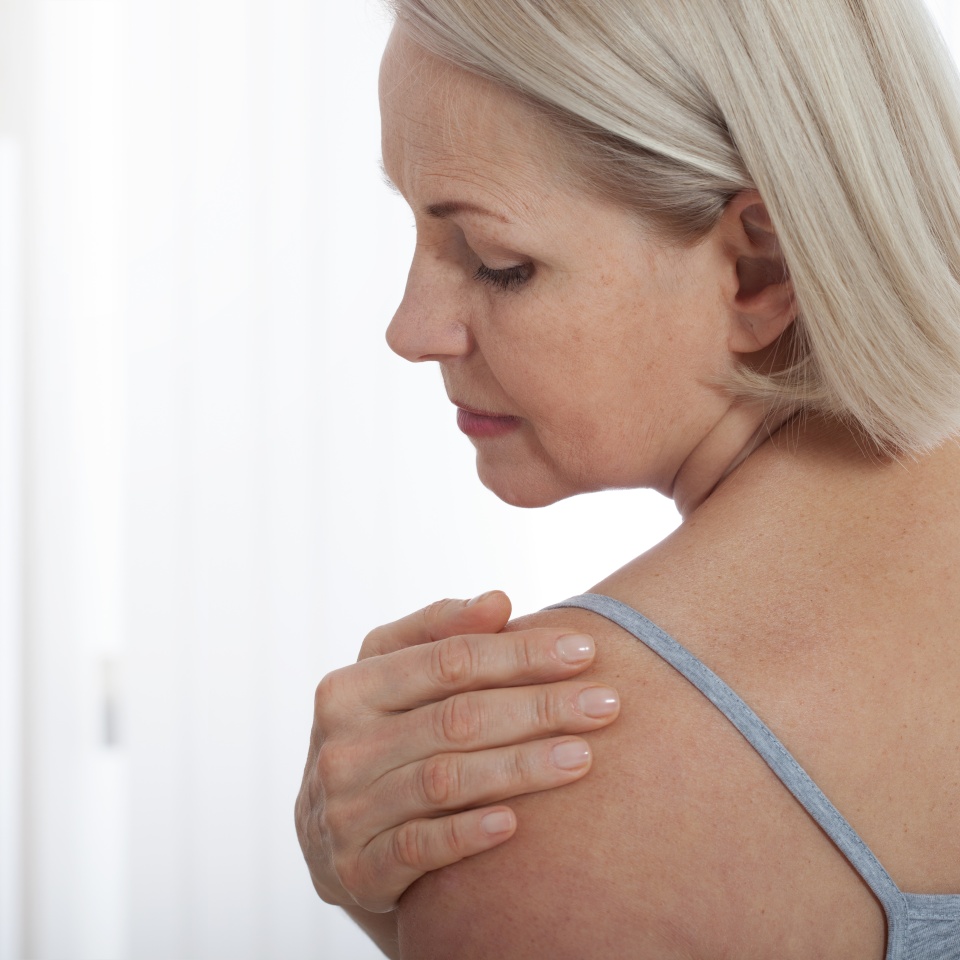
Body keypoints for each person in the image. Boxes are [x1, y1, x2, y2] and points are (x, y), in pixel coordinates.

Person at [295, 0, 960, 956]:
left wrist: (445, 898)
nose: (410, 329)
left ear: (758, 267)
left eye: (495, 261)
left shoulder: (544, 795)